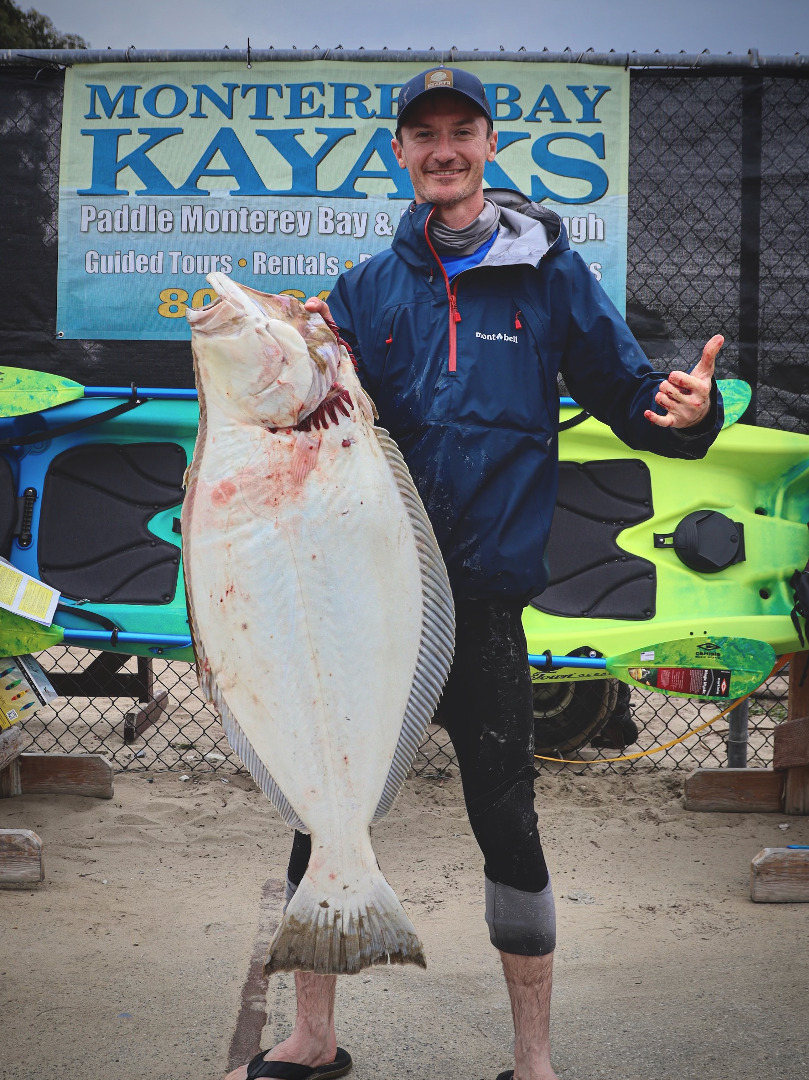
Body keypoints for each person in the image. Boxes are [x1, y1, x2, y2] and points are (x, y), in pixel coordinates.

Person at [227, 66, 723, 1080]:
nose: (442, 150)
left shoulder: (549, 276)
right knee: (322, 812)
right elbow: (310, 435)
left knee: (506, 820)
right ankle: (313, 1039)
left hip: (485, 600)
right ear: (399, 153)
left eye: (461, 131)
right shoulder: (365, 290)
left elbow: (631, 398)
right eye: (424, 135)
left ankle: (530, 1060)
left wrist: (689, 415)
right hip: (367, 606)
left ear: (489, 144)